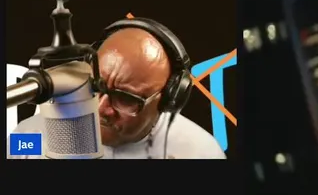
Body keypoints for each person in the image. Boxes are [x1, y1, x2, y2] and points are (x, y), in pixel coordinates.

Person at [9, 26, 225, 160]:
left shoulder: (202, 153)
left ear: (168, 99)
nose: (101, 108)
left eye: (125, 98)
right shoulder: (29, 136)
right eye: (95, 87)